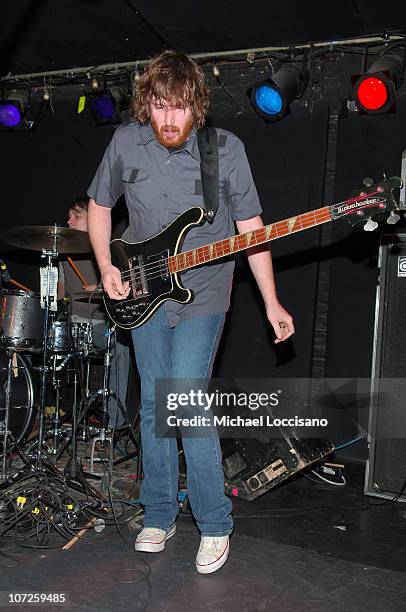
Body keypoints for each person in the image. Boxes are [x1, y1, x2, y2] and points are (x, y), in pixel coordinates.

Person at [87, 50, 294, 574]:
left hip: (204, 290)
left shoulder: (224, 150)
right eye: (159, 106)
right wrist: (107, 266)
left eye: (179, 107)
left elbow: (252, 228)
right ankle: (158, 513)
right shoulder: (125, 143)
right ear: (146, 106)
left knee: (184, 395)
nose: (170, 119)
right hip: (142, 290)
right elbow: (99, 206)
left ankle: (216, 523)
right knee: (157, 403)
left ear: (196, 106)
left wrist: (270, 301)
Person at [58, 197, 130, 428]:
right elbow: (59, 296)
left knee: (123, 343)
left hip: (106, 324)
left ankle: (114, 421)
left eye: (75, 216)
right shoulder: (63, 253)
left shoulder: (110, 252)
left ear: (92, 218)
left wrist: (100, 289)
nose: (68, 221)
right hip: (79, 323)